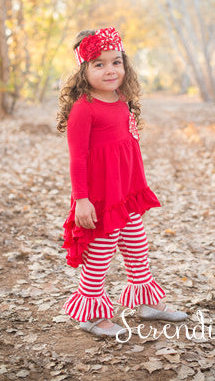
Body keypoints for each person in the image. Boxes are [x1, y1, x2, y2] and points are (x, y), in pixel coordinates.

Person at [56, 27, 187, 337]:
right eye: (98, 64)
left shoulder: (122, 99)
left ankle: (146, 303)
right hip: (100, 198)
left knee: (137, 247)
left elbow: (125, 146)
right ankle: (90, 314)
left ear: (125, 65)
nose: (110, 70)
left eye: (116, 62)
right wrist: (82, 200)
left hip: (126, 192)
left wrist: (134, 185)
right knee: (100, 254)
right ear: (83, 70)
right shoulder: (83, 109)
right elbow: (78, 159)